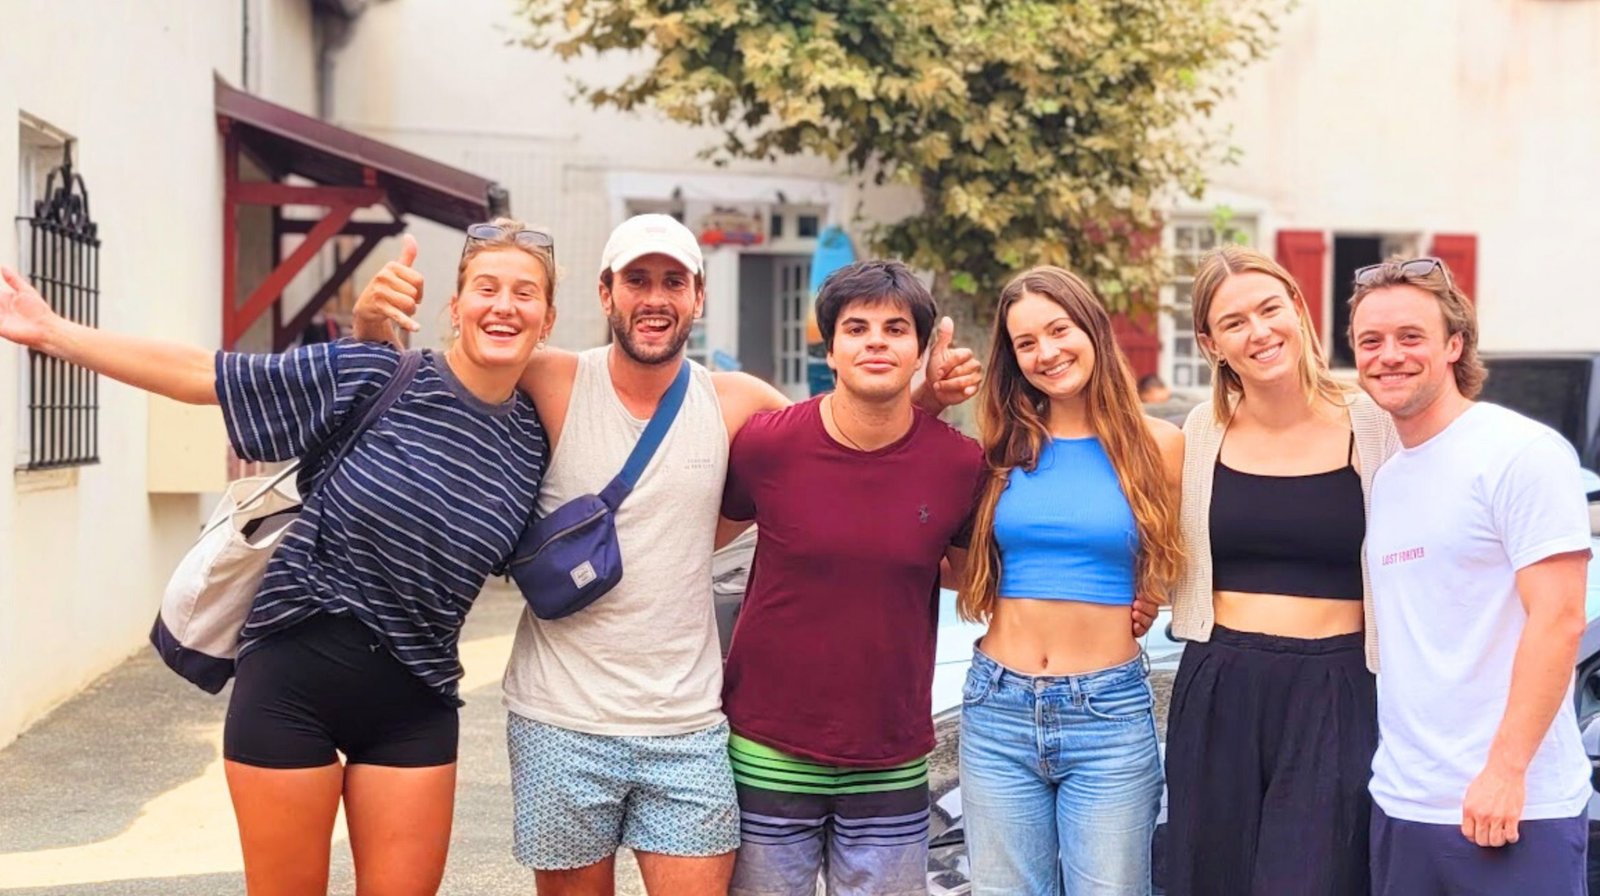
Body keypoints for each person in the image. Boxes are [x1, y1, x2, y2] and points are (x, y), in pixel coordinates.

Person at [351, 214, 982, 896]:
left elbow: (849, 437)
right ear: (605, 293)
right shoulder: (549, 377)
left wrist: (923, 394)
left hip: (690, 725)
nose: (655, 297)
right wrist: (370, 327)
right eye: (637, 280)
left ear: (698, 297)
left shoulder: (741, 405)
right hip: (559, 717)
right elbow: (431, 390)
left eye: (672, 281)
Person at [0, 220, 555, 895]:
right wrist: (54, 331)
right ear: (455, 305)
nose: (504, 305)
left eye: (525, 293)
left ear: (548, 318)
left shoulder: (535, 440)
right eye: (486, 288)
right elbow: (204, 375)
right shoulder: (373, 371)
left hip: (417, 703)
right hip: (294, 683)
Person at [716, 260, 986, 896]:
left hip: (890, 754)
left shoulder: (957, 463)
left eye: (895, 329)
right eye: (856, 327)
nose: (875, 341)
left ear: (921, 349)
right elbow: (700, 541)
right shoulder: (768, 445)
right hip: (767, 745)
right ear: (830, 347)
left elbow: (968, 580)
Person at [1350, 256, 1592, 895]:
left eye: (1411, 337)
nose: (1388, 356)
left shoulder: (1521, 454)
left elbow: (1561, 617)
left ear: (1455, 344)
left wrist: (1506, 772)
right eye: (1369, 341)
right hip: (1405, 803)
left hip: (1513, 809)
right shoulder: (1391, 476)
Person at [1163, 245, 1398, 896]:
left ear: (1298, 309)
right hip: (1220, 682)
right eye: (1233, 322)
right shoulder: (1202, 430)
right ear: (1211, 344)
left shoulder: (1374, 422)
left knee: (1315, 878)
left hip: (1338, 686)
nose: (1259, 332)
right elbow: (1156, 540)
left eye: (1270, 308)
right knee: (1213, 876)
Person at [955, 265, 1184, 896]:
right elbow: (959, 560)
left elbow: (1187, 551)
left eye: (1058, 330)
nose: (1046, 352)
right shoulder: (1001, 447)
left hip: (1107, 715)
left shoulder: (1158, 445)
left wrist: (1152, 593)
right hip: (996, 709)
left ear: (1092, 328)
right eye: (1026, 343)